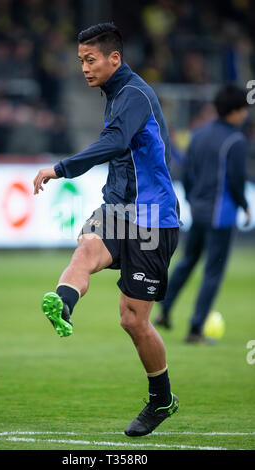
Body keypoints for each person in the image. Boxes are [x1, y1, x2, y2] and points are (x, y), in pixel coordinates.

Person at [33, 23, 180, 437]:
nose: (84, 67)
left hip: (153, 219)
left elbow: (115, 144)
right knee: (86, 248)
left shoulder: (132, 94)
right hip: (117, 210)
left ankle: (161, 400)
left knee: (133, 320)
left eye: (90, 59)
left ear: (115, 58)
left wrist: (61, 168)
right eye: (80, 60)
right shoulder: (115, 94)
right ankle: (62, 303)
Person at [154, 84, 250, 342]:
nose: (245, 115)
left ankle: (163, 309)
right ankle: (196, 328)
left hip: (199, 211)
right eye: (244, 110)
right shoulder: (236, 140)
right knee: (212, 272)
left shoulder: (198, 135)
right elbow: (237, 179)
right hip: (222, 215)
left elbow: (186, 173)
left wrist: (190, 199)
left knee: (187, 262)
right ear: (235, 111)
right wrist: (244, 205)